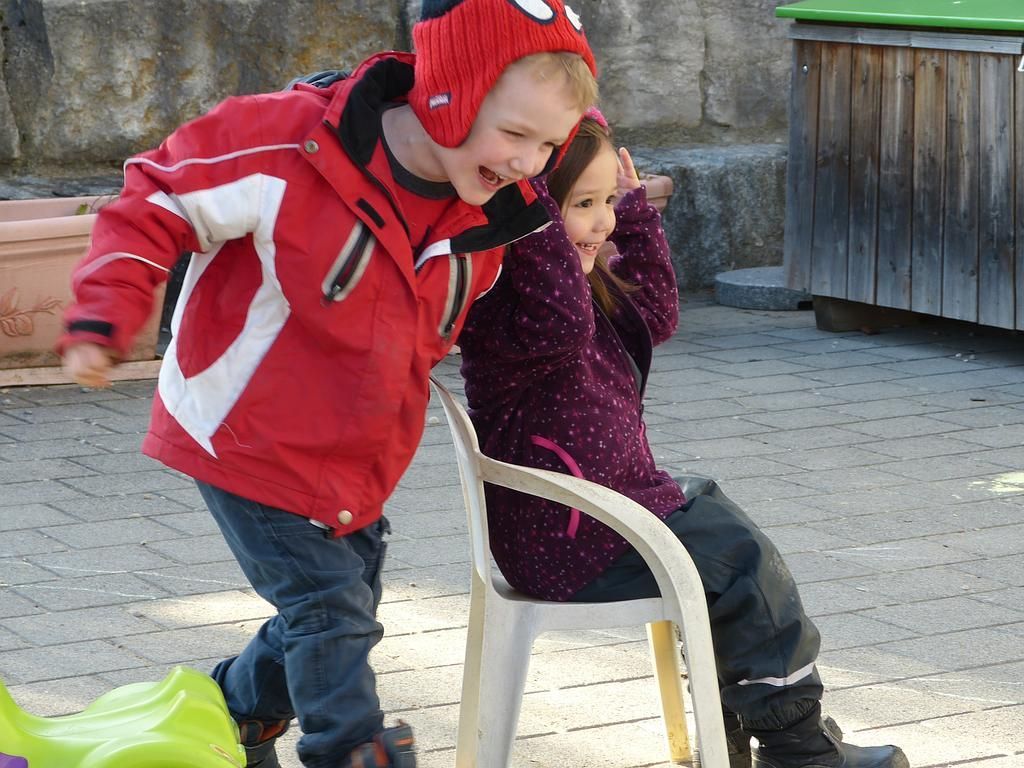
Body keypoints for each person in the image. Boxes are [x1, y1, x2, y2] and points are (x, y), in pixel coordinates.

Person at [57, 2, 597, 766]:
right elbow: (157, 196)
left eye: (550, 144)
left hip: (358, 462)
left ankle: (237, 713)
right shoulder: (286, 143)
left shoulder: (490, 220)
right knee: (328, 614)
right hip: (245, 435)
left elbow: (524, 333)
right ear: (450, 94)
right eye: (514, 134)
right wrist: (105, 313)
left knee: (335, 617)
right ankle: (348, 748)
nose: (527, 163)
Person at [456, 110, 910, 768]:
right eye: (582, 205)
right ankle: (800, 750)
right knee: (738, 557)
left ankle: (730, 738)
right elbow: (560, 323)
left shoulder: (582, 288)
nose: (600, 221)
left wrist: (636, 218)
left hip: (604, 518)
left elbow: (659, 315)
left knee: (715, 523)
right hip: (567, 539)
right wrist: (534, 207)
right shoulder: (518, 312)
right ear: (533, 221)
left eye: (607, 201)